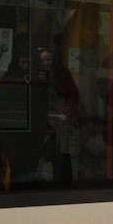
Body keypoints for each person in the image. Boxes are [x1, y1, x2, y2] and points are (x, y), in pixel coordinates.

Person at [39, 48, 80, 186]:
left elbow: (72, 94)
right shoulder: (37, 75)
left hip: (61, 118)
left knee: (62, 152)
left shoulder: (62, 74)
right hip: (44, 117)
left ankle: (62, 181)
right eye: (43, 60)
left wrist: (66, 113)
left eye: (48, 59)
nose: (46, 63)